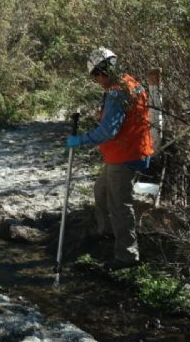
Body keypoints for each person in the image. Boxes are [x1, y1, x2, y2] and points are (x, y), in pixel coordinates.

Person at [67, 47, 153, 270]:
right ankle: (105, 231)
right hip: (124, 153)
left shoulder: (117, 93)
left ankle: (127, 256)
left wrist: (82, 140)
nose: (97, 82)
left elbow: (108, 131)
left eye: (95, 77)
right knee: (101, 191)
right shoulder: (130, 83)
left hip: (125, 157)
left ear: (101, 73)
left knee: (120, 206)